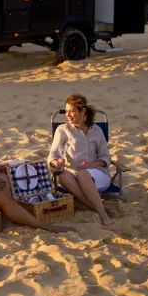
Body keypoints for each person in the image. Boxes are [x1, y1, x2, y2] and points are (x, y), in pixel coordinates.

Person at [48, 94, 113, 226]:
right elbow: (52, 156)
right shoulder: (62, 130)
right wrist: (57, 163)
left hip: (97, 174)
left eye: (72, 111)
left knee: (83, 174)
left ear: (82, 111)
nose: (68, 115)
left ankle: (103, 215)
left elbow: (105, 157)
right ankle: (93, 205)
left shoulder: (96, 130)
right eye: (66, 111)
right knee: (63, 177)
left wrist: (94, 164)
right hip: (72, 174)